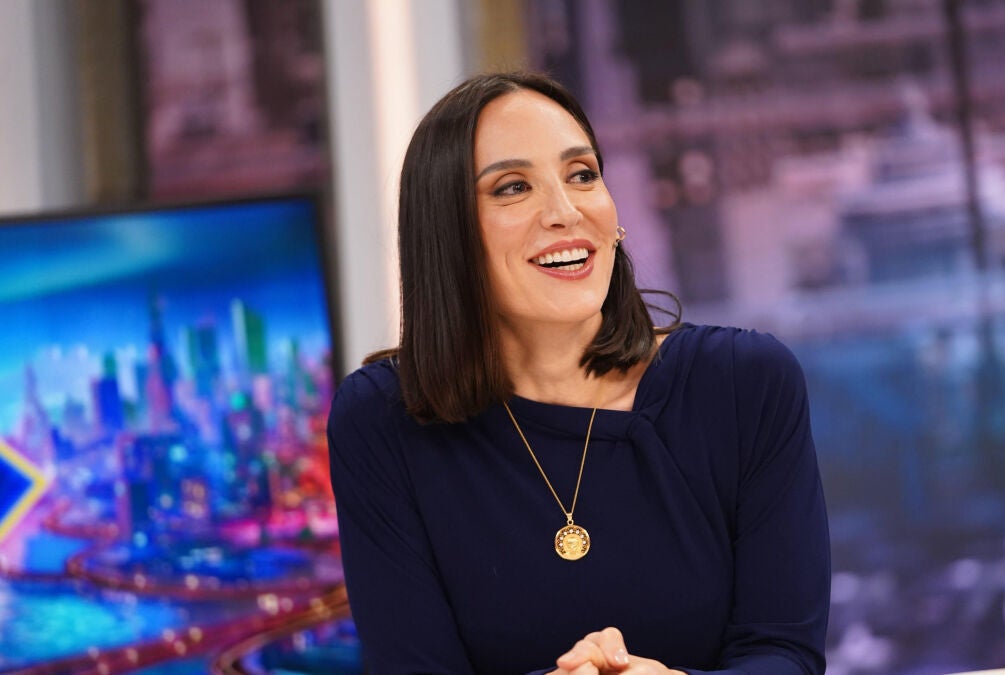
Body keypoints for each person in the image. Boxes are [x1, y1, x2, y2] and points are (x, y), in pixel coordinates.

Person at [327, 71, 830, 675]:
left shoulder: (746, 384)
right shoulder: (382, 421)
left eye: (582, 175)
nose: (566, 213)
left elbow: (785, 655)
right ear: (447, 234)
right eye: (513, 187)